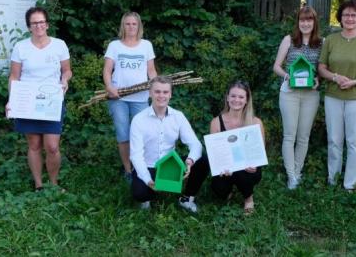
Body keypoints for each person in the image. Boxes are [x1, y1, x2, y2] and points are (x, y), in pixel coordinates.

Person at [317, 2, 356, 191]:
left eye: (354, 15)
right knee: (334, 140)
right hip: (333, 96)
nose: (350, 18)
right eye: (346, 15)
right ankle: (333, 178)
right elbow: (321, 68)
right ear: (340, 17)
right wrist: (335, 77)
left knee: (353, 142)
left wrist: (355, 82)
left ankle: (350, 184)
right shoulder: (331, 39)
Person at [7, 7, 72, 191]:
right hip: (28, 101)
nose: (38, 26)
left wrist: (65, 79)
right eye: (34, 23)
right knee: (34, 144)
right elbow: (14, 76)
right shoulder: (21, 47)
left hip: (52, 100)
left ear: (47, 24)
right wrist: (11, 99)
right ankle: (39, 185)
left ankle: (53, 184)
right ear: (29, 27)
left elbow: (67, 70)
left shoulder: (59, 45)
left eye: (41, 22)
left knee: (52, 146)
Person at [129, 76, 207, 213]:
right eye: (157, 91)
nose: (161, 95)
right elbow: (135, 155)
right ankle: (149, 196)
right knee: (139, 193)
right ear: (150, 93)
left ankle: (186, 198)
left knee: (203, 160)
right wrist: (147, 180)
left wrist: (189, 161)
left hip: (170, 166)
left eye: (165, 92)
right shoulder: (139, 120)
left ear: (170, 94)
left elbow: (195, 144)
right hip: (149, 165)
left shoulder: (178, 116)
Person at [103, 12, 157, 183]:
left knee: (143, 133)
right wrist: (109, 87)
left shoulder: (146, 45)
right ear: (123, 26)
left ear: (139, 26)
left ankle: (144, 166)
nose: (131, 27)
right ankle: (128, 170)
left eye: (134, 24)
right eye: (127, 24)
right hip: (118, 97)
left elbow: (151, 71)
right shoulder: (115, 45)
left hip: (140, 97)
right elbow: (107, 70)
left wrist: (155, 88)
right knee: (123, 133)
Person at [272, 6, 322, 189]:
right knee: (289, 135)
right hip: (289, 93)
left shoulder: (321, 43)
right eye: (302, 20)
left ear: (314, 22)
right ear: (298, 22)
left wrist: (318, 79)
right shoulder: (289, 40)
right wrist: (286, 76)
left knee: (304, 136)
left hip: (311, 95)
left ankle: (298, 171)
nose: (305, 23)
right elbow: (276, 66)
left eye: (309, 20)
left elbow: (322, 69)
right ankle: (291, 175)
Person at [205, 81, 265, 213]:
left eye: (241, 97)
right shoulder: (216, 122)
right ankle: (229, 191)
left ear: (246, 100)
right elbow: (215, 153)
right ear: (227, 98)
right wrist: (221, 166)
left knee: (245, 176)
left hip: (248, 168)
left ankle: (248, 198)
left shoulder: (255, 122)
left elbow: (259, 151)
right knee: (219, 190)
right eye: (233, 96)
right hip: (226, 167)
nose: (236, 100)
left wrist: (254, 164)